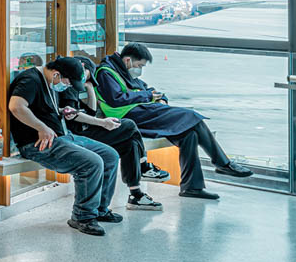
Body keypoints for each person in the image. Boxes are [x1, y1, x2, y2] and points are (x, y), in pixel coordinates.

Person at [96, 41, 253, 201]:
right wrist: (149, 97)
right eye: (139, 65)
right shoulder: (106, 73)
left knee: (189, 134)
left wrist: (161, 98)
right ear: (128, 60)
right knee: (192, 117)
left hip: (143, 113)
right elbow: (116, 99)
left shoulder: (123, 72)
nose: (140, 70)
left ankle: (192, 187)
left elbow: (148, 89)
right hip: (129, 116)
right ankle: (222, 163)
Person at [8, 56, 121, 236]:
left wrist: (65, 112)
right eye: (67, 83)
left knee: (110, 155)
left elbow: (47, 108)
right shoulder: (30, 79)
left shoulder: (51, 83)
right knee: (91, 163)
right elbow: (16, 107)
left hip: (63, 136)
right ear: (57, 74)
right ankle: (83, 217)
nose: (67, 87)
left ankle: (99, 209)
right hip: (38, 143)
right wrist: (41, 127)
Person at [60, 57, 162, 211]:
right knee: (128, 125)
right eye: (88, 75)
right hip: (78, 135)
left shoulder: (80, 85)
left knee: (130, 143)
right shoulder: (69, 86)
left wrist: (90, 89)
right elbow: (73, 115)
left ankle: (136, 193)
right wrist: (103, 123)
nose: (87, 79)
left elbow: (91, 112)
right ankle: (143, 166)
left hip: (87, 130)